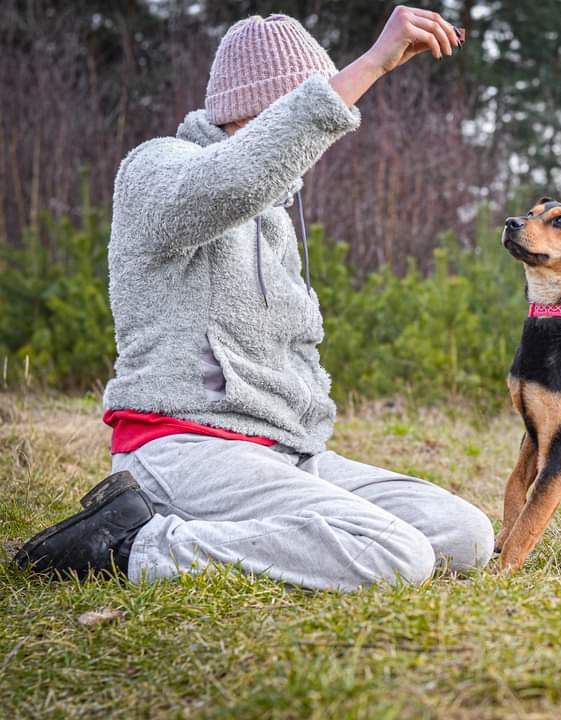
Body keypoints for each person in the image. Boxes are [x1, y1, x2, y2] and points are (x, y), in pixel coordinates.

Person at [13, 8, 494, 591]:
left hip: (284, 453)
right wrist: (368, 65)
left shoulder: (272, 217)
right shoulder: (156, 168)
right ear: (277, 111)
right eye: (312, 107)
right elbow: (233, 179)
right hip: (182, 447)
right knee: (397, 554)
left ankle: (210, 529)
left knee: (463, 534)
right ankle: (129, 545)